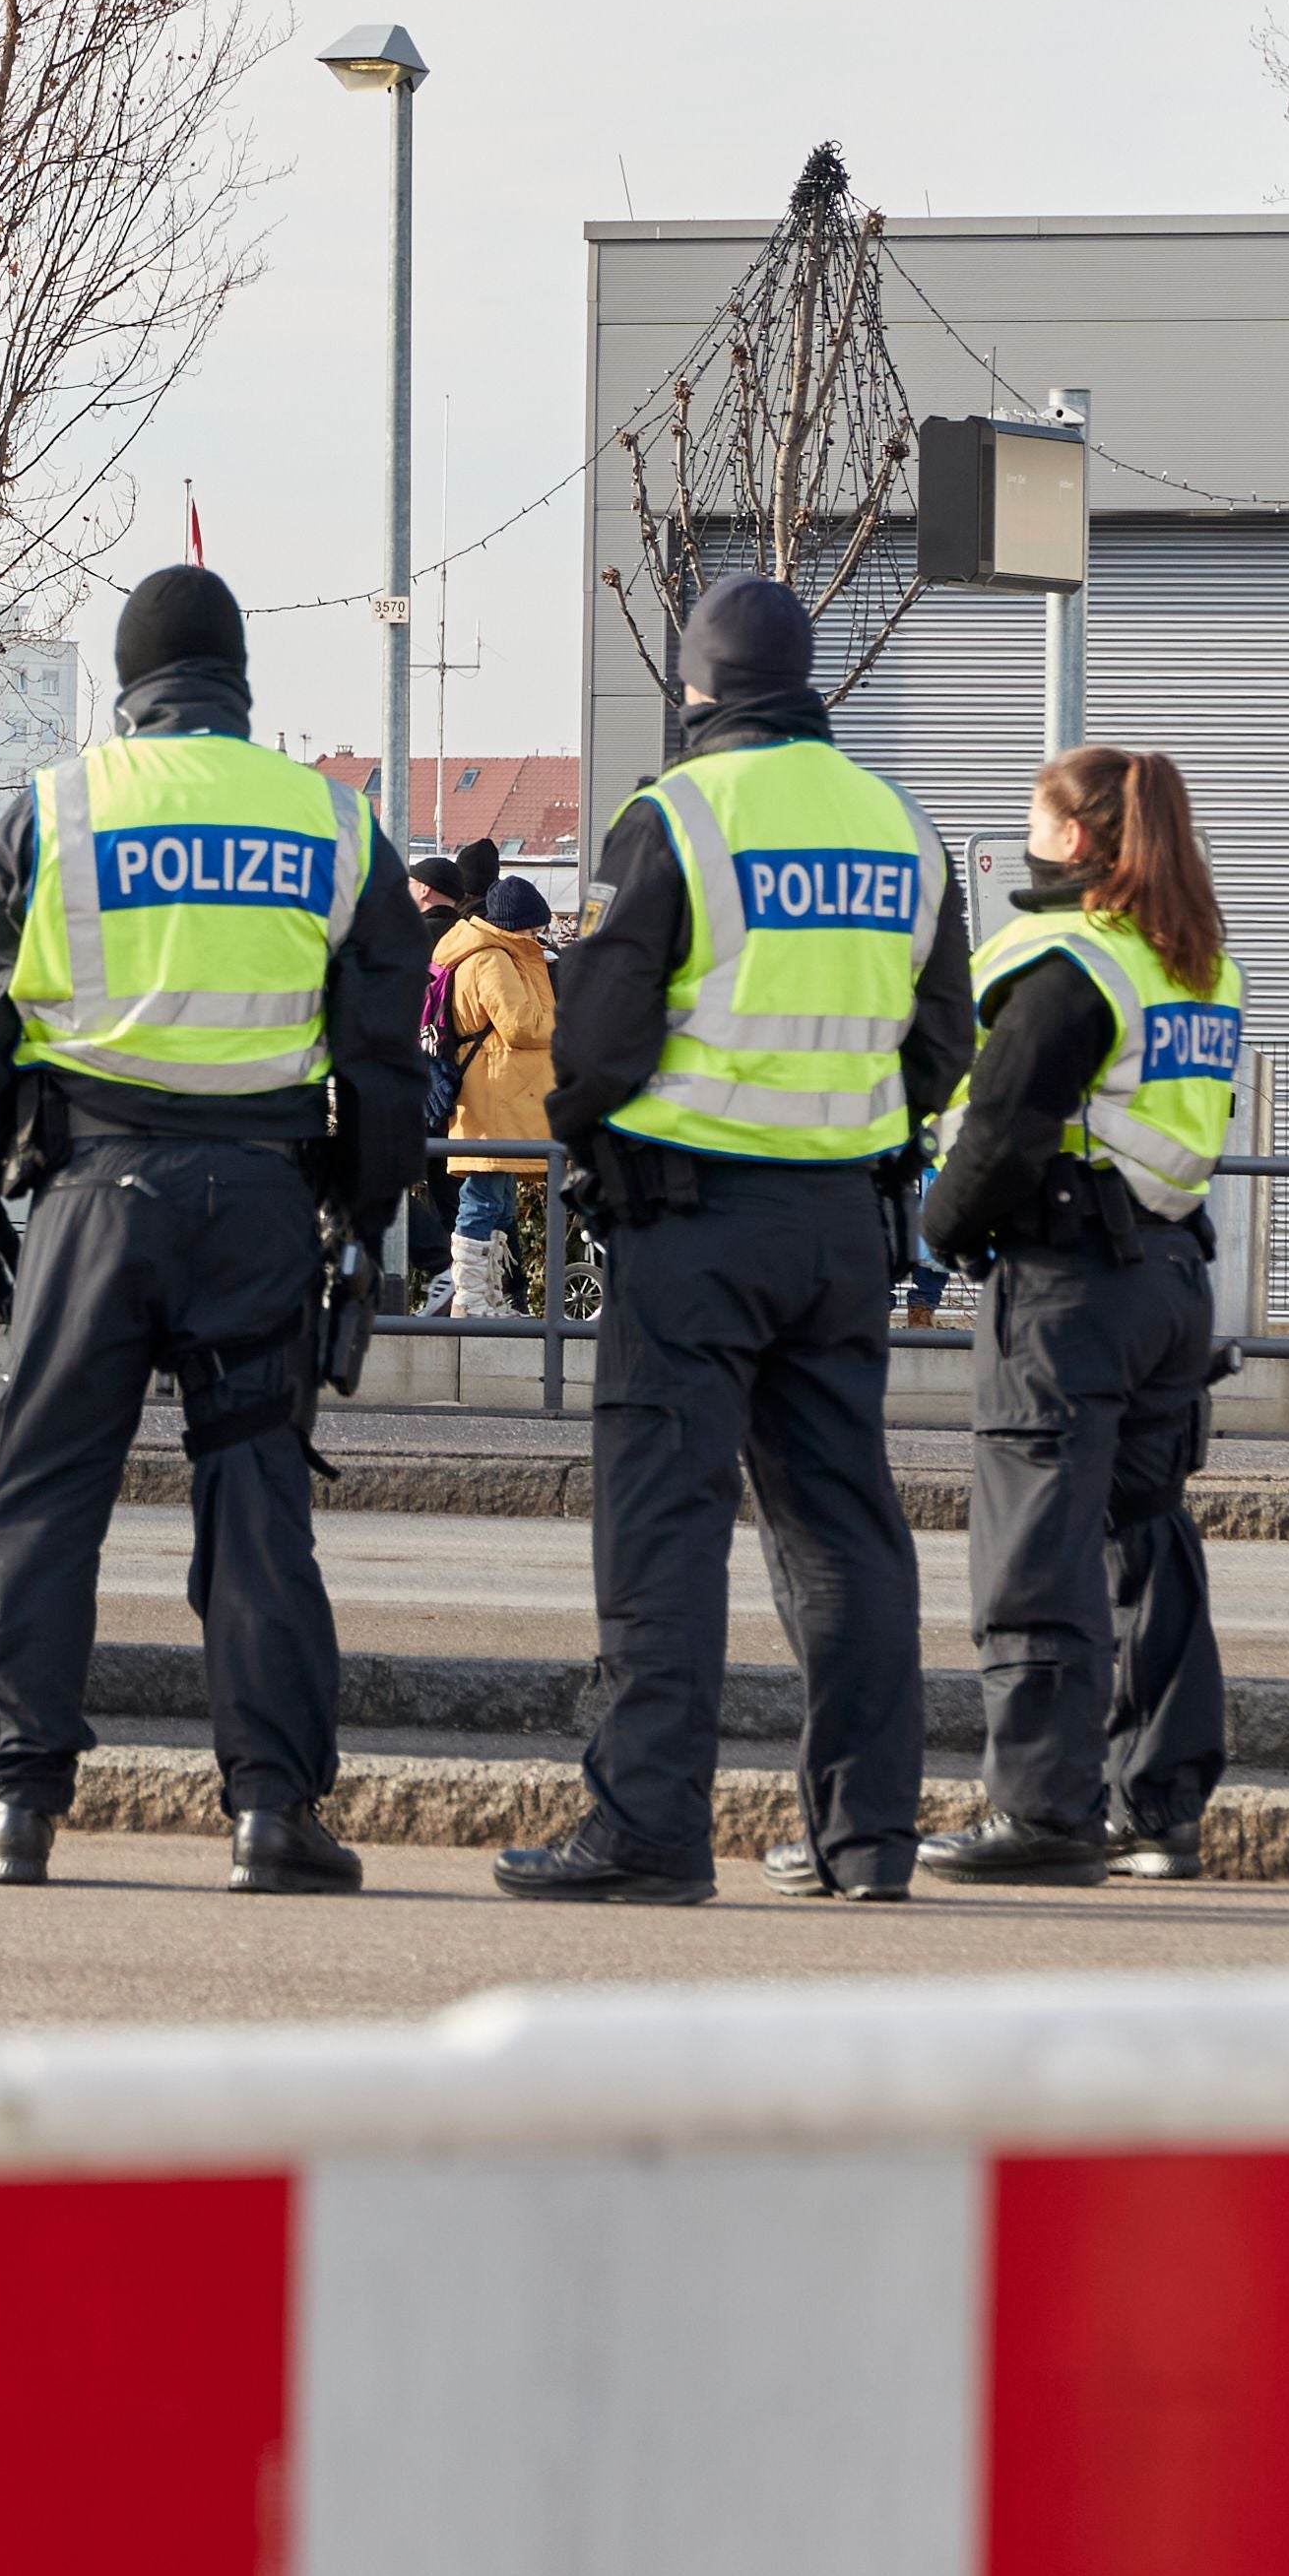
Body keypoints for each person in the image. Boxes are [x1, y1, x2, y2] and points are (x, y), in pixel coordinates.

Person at [0, 564, 429, 1896]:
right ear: (238, 679)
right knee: (255, 1502)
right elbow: (384, 1066)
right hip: (258, 1201)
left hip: (92, 1191)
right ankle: (271, 1812)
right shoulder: (332, 821)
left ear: (129, 680)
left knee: (38, 1498)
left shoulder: (55, 810)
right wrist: (357, 1223)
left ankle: (16, 1809)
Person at [491, 581, 970, 1905]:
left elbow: (590, 1038)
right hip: (839, 1229)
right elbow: (942, 1041)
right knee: (844, 1534)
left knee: (663, 1530)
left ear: (695, 688)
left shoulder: (673, 818)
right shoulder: (900, 824)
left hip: (687, 1225)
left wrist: (598, 1146)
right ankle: (863, 1837)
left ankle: (647, 1828)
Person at [909, 742, 1247, 1886]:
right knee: (1146, 1541)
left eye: (1038, 820)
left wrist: (940, 1232)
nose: (1026, 837)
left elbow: (999, 1127)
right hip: (1168, 1280)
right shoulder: (1193, 961)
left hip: (1065, 1286)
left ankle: (1043, 1811)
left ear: (1082, 840)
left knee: (1037, 1548)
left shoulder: (1067, 962)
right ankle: (1161, 1806)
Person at [433, 872, 557, 1317]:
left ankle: (490, 1297)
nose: (538, 934)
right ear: (517, 923)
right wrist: (565, 1024)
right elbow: (520, 1025)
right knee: (484, 1199)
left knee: (499, 1201)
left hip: (499, 1093)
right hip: (493, 1094)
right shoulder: (491, 960)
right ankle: (471, 1298)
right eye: (534, 926)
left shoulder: (493, 954)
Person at [402, 850, 482, 1307]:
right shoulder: (468, 938)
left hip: (419, 1078)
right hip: (465, 1083)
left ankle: (440, 1271)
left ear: (426, 889)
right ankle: (467, 1292)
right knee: (454, 1186)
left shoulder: (413, 938)